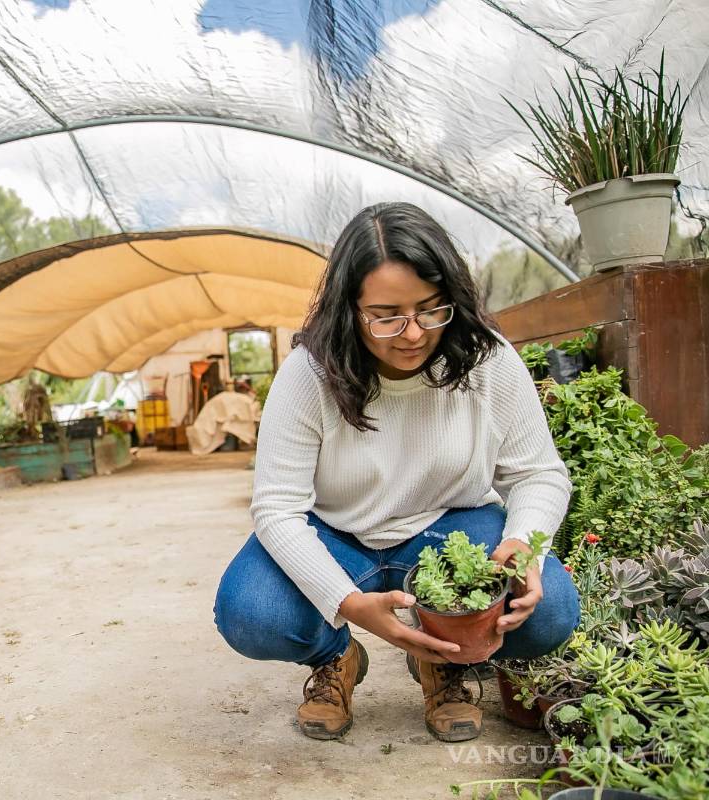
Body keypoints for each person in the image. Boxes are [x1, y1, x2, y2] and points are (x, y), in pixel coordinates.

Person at [213, 202, 578, 743]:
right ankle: (337, 656)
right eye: (386, 315)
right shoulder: (308, 374)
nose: (412, 333)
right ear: (348, 309)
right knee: (251, 613)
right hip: (337, 535)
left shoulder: (488, 361)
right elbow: (277, 508)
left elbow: (539, 474)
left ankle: (445, 659)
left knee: (549, 615)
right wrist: (349, 606)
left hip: (451, 528)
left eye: (431, 309)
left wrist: (523, 545)